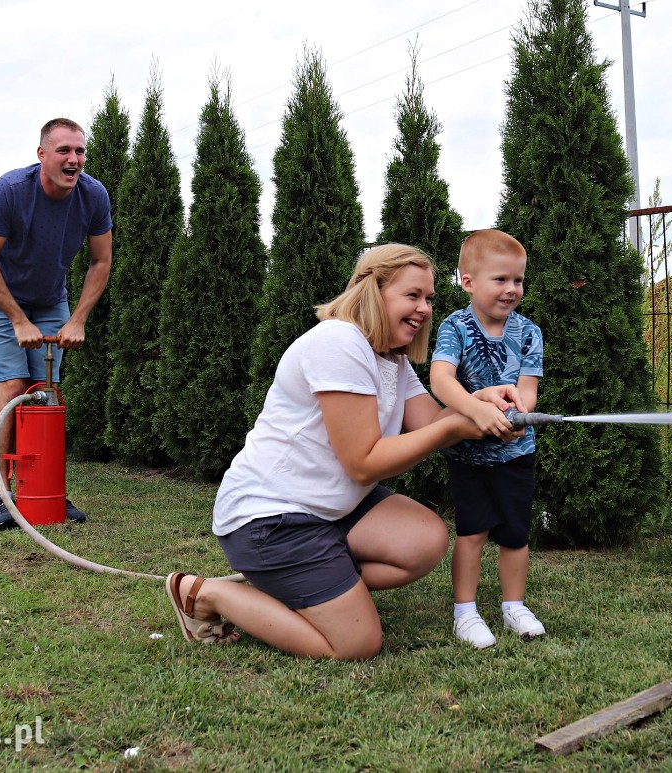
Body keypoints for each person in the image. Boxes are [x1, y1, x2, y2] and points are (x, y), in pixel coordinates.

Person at [165, 244, 521, 660]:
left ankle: (304, 585)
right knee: (356, 644)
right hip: (270, 520)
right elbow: (363, 463)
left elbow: (431, 421)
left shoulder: (391, 358)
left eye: (429, 299)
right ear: (373, 290)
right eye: (412, 295)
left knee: (424, 540)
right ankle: (206, 596)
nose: (424, 309)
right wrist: (458, 425)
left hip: (327, 511)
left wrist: (479, 405)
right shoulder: (339, 343)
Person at [0, 118, 113, 529]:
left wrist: (78, 319)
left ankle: (44, 488)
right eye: (64, 150)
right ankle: (3, 494)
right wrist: (17, 319)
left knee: (45, 392)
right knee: (13, 386)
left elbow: (101, 261)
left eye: (80, 151)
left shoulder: (92, 195)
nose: (74, 159)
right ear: (42, 155)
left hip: (50, 297)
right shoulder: (11, 192)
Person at [429, 229, 545, 649]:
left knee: (516, 533)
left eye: (518, 280)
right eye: (500, 279)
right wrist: (477, 409)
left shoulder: (530, 332)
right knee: (473, 531)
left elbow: (527, 390)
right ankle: (466, 612)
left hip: (517, 453)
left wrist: (517, 411)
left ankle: (514, 605)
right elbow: (440, 379)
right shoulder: (455, 327)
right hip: (469, 457)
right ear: (468, 282)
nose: (512, 289)